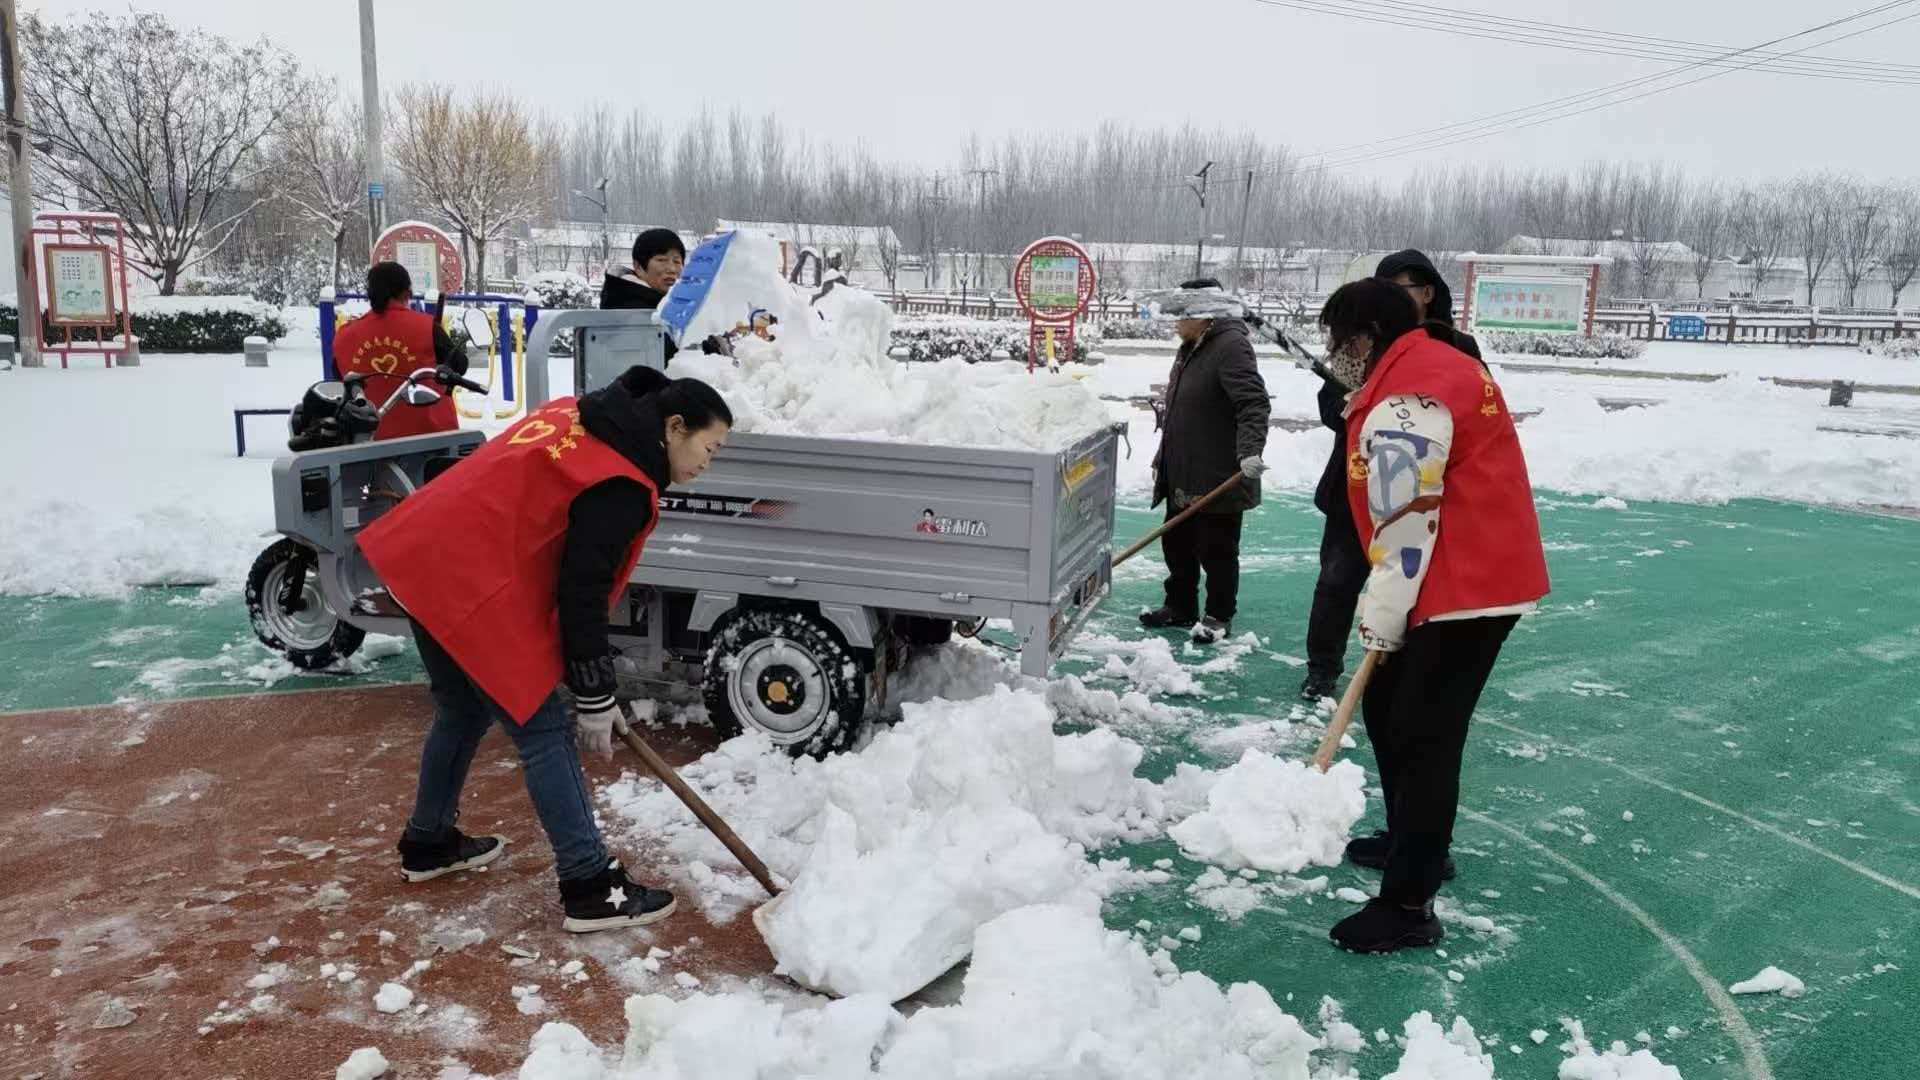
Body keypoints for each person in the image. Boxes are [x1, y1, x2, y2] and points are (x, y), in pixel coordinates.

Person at [356, 364, 733, 933]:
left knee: (462, 709)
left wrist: (591, 685)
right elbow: (581, 592)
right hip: (463, 576)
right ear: (675, 427)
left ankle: (429, 842)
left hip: (424, 552)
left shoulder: (584, 413)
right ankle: (589, 885)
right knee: (545, 732)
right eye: (710, 447)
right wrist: (595, 693)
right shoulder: (620, 483)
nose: (709, 463)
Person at [1315, 278, 1548, 954]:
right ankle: (1408, 839)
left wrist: (1381, 616)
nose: (1333, 354)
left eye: (1338, 339)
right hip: (1462, 572)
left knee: (1423, 734)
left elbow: (1405, 525)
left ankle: (1410, 902)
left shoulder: (1409, 399)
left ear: (1365, 337)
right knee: (1390, 708)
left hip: (1464, 584)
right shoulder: (1431, 365)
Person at [1300, 250, 1481, 703]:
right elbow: (1329, 407)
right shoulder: (1359, 344)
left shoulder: (1455, 347)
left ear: (1428, 292)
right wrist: (1353, 405)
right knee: (1337, 582)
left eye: (1401, 289)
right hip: (1355, 485)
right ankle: (1322, 668)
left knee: (1412, 588)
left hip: (1421, 494)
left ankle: (1401, 673)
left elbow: (1471, 412)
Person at [1141, 278, 1270, 646]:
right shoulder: (1191, 347)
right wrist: (1162, 457)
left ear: (1203, 313)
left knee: (1217, 550)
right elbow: (1181, 409)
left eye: (1182, 313)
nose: (1175, 321)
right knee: (1177, 543)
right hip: (1182, 468)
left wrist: (1249, 452)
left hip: (1217, 471)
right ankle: (1180, 606)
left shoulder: (1230, 346)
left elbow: (1253, 403)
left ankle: (1218, 614)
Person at [331, 262, 471, 440]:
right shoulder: (426, 327)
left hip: (368, 439)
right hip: (430, 437)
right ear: (406, 292)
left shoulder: (345, 335)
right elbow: (460, 365)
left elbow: (339, 379)